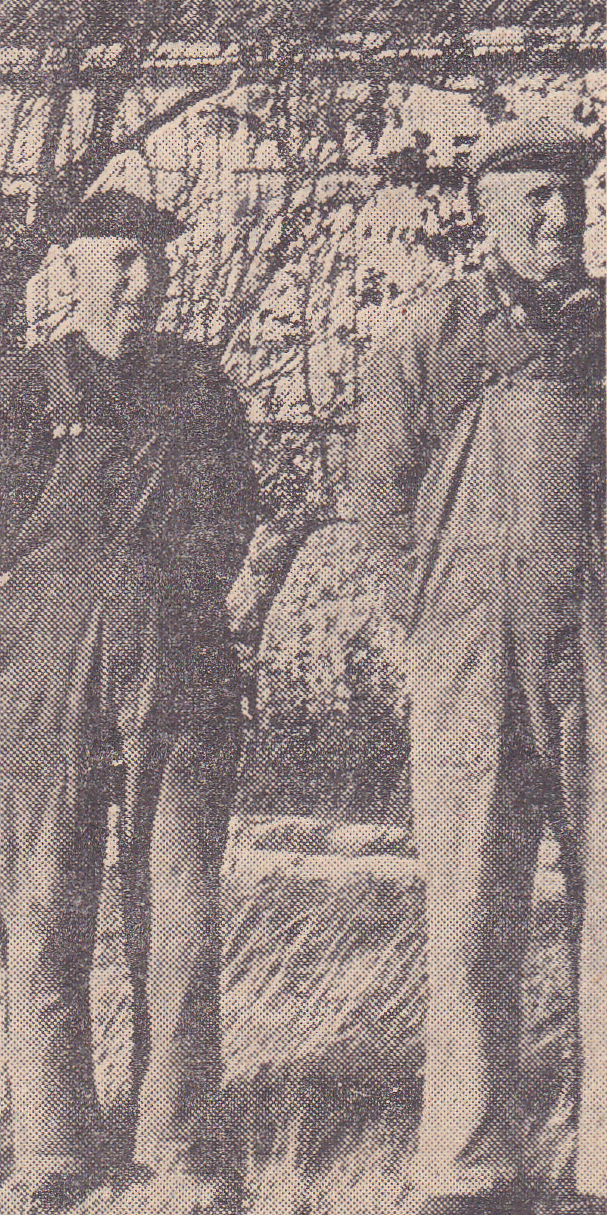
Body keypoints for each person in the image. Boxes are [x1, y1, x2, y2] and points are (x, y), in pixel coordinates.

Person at [0, 189, 257, 1215]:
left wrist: (170, 596)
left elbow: (232, 509)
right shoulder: (21, 389)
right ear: (69, 270)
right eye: (120, 258)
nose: (142, 280)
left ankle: (176, 1144)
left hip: (177, 664)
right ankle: (53, 1151)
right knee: (42, 906)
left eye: (154, 260)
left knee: (182, 912)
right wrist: (42, 611)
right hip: (45, 672)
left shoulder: (199, 387)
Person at [349, 114, 606, 1215]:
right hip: (469, 656)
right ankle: (466, 1162)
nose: (559, 216)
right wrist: (431, 620)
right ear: (485, 210)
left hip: (594, 646)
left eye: (571, 195)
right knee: (468, 906)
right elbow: (378, 500)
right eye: (534, 197)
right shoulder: (434, 329)